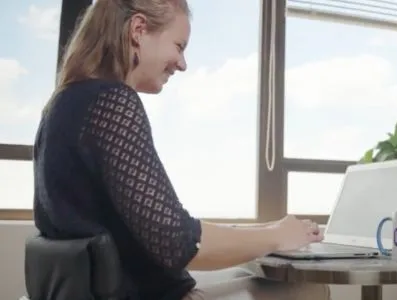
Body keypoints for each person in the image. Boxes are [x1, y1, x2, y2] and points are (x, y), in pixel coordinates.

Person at [33, 0, 329, 299]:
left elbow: (156, 225)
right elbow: (175, 241)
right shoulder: (111, 101)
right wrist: (276, 238)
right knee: (309, 289)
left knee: (246, 273)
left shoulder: (63, 103)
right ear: (138, 29)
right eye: (179, 45)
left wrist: (269, 230)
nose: (183, 64)